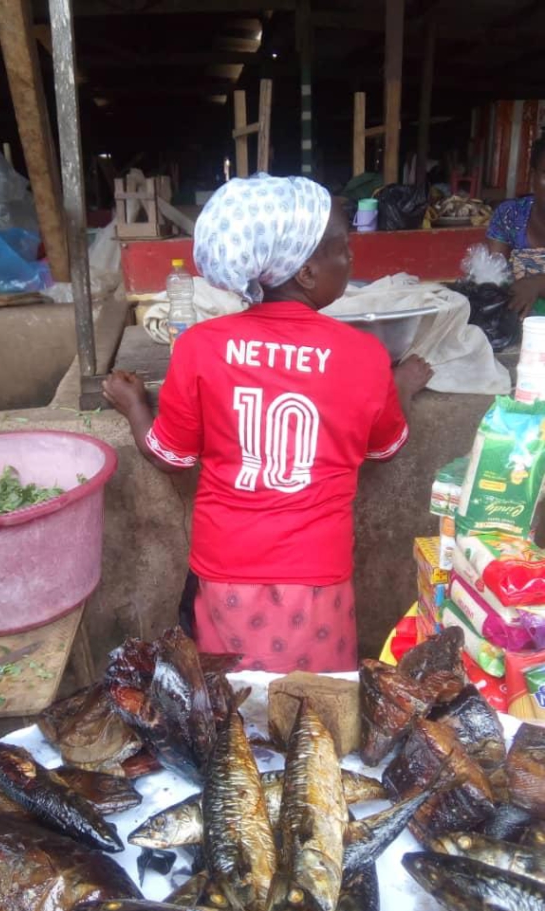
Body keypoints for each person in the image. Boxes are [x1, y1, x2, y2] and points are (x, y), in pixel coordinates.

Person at [103, 174, 431, 673]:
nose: (350, 260)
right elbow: (386, 447)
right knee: (312, 715)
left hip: (225, 572)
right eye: (341, 250)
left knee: (231, 713)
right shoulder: (365, 356)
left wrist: (133, 404)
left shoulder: (199, 346)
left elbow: (169, 456)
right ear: (303, 271)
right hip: (318, 577)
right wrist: (400, 385)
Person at [486, 135, 545, 318]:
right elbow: (493, 277)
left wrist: (538, 283)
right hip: (520, 328)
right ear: (532, 176)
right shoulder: (510, 215)